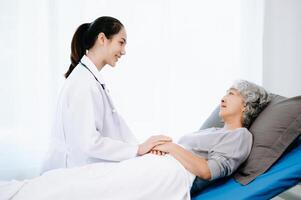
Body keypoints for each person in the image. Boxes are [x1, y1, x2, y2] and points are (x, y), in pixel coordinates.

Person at [2, 80, 270, 200]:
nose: (223, 97)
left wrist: (171, 147)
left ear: (246, 106)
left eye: (232, 93)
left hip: (172, 177)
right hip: (159, 165)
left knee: (88, 190)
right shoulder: (213, 132)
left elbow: (207, 171)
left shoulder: (240, 136)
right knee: (79, 178)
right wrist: (160, 149)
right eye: (225, 91)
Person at [41, 16, 171, 173]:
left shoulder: (89, 79)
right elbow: (89, 143)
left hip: (84, 169)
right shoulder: (84, 83)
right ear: (102, 39)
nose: (123, 51)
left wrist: (140, 149)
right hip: (73, 173)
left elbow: (108, 132)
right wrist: (138, 149)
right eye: (121, 42)